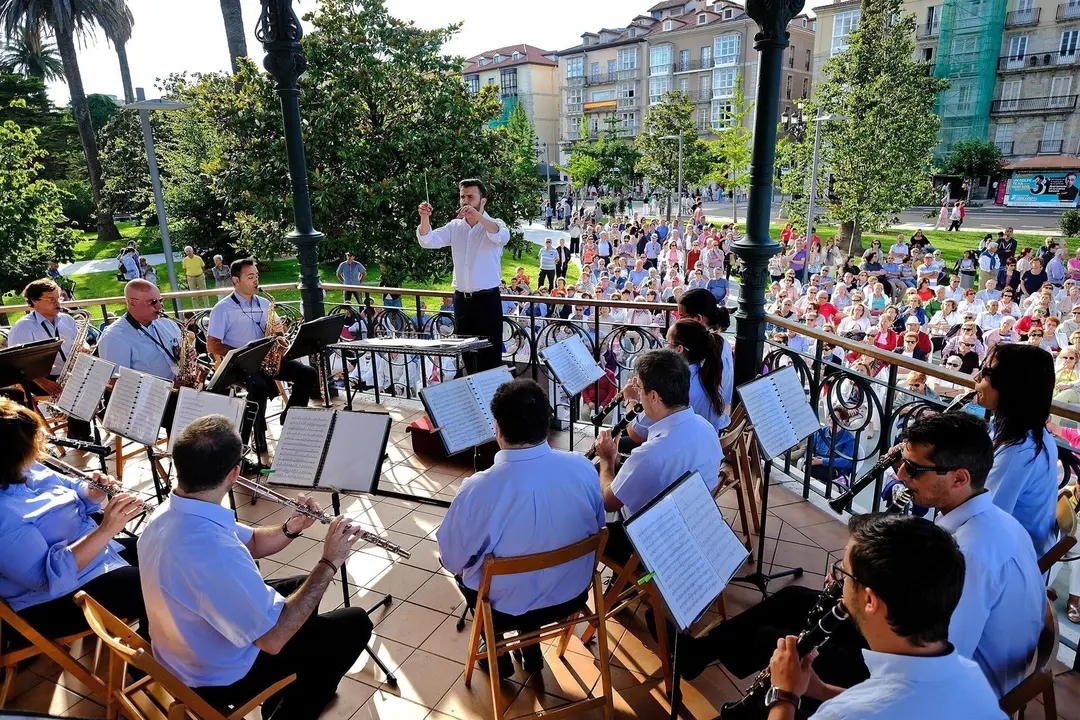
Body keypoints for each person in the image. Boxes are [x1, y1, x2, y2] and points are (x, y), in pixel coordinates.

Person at [138, 415, 372, 720]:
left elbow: (252, 541)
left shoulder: (169, 513)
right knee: (354, 624)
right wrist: (330, 562)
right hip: (216, 677)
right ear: (234, 473)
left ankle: (299, 680)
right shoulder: (215, 552)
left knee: (300, 585)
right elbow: (272, 640)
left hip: (180, 648)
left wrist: (291, 527)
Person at [436, 379, 604, 677]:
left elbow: (452, 560)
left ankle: (496, 647)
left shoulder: (478, 489)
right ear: (546, 424)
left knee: (470, 568)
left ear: (498, 429)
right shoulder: (582, 467)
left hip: (504, 609)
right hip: (572, 594)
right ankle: (530, 647)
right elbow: (598, 526)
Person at [765, 514, 1006, 720]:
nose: (839, 581)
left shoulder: (844, 714)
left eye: (844, 573)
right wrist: (824, 691)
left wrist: (785, 696)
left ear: (870, 600)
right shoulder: (971, 676)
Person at [896, 413, 1044, 699]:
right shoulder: (997, 520)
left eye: (914, 469)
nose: (901, 475)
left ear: (959, 478)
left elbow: (940, 661)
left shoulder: (968, 554)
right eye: (902, 463)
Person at [0, 396, 147, 647]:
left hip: (95, 554)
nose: (39, 448)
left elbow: (71, 488)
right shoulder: (5, 514)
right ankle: (150, 656)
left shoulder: (27, 468)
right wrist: (105, 530)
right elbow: (47, 578)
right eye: (32, 444)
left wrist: (92, 492)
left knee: (165, 549)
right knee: (164, 585)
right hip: (56, 599)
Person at [592, 350, 723, 563]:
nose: (638, 396)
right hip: (689, 528)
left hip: (646, 544)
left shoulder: (650, 455)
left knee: (581, 506)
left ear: (653, 396)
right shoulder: (706, 428)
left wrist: (607, 459)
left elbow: (609, 502)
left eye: (640, 390)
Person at [206, 259, 318, 463]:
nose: (256, 280)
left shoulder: (265, 304)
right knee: (259, 386)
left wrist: (279, 334)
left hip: (266, 359)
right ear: (236, 280)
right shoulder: (222, 309)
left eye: (257, 276)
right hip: (240, 364)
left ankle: (291, 418)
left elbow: (278, 335)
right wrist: (241, 353)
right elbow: (213, 345)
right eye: (251, 277)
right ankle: (258, 436)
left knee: (307, 373)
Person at [417, 179, 510, 374]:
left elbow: (501, 236)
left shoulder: (495, 224)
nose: (465, 201)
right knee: (467, 355)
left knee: (490, 357)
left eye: (470, 197)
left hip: (487, 301)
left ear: (483, 200)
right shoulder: (455, 226)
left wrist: (479, 217)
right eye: (462, 197)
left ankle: (491, 393)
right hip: (461, 301)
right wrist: (424, 218)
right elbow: (428, 240)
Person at [975, 343, 1059, 558]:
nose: (976, 378)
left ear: (1011, 385)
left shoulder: (1018, 450)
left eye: (986, 373)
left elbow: (983, 521)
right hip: (1005, 548)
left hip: (1009, 561)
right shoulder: (1020, 431)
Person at [7, 279, 93, 439]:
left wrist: (85, 347)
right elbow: (17, 364)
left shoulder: (67, 320)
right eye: (51, 299)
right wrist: (43, 382)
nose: (57, 302)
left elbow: (80, 342)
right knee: (77, 391)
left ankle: (106, 423)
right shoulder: (22, 328)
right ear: (35, 301)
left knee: (100, 381)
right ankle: (80, 438)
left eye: (58, 297)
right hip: (39, 378)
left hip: (70, 372)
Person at [625, 319, 730, 445]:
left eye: (667, 342)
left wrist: (631, 399)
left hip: (677, 446)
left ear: (679, 349)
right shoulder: (707, 371)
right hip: (699, 441)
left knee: (614, 441)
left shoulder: (672, 382)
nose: (664, 347)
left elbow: (636, 434)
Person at [97, 279, 182, 384]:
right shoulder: (113, 337)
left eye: (160, 300)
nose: (159, 306)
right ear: (132, 303)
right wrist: (169, 387)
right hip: (153, 394)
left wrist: (186, 356)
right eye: (152, 302)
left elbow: (179, 353)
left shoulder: (168, 324)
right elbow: (115, 383)